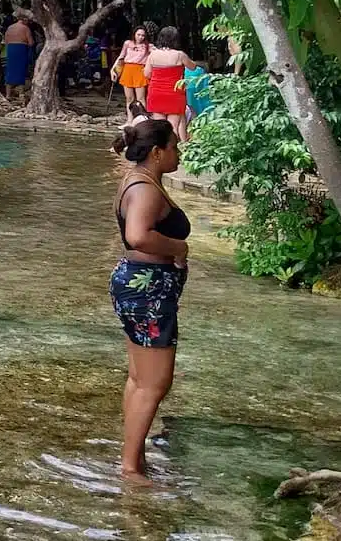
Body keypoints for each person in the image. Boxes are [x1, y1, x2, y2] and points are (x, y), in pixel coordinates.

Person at [112, 118, 190, 477]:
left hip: (142, 286)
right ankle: (131, 469)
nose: (178, 152)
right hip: (149, 289)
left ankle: (134, 457)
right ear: (157, 153)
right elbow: (139, 235)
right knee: (155, 382)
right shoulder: (144, 188)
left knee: (139, 378)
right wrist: (178, 247)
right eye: (174, 146)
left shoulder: (137, 180)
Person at [143, 27, 198, 139]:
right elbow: (193, 67)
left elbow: (147, 74)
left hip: (156, 93)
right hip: (174, 94)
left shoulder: (153, 54)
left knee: (159, 128)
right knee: (173, 129)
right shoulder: (180, 55)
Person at [114, 26, 152, 116]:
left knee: (141, 98)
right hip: (127, 69)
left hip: (140, 70)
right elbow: (121, 57)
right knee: (129, 98)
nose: (140, 37)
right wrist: (114, 69)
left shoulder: (148, 46)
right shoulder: (128, 43)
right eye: (138, 34)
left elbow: (156, 55)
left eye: (143, 35)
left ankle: (142, 119)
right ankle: (129, 120)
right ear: (134, 34)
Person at [2, 14, 35, 100]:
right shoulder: (25, 28)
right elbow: (31, 42)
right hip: (21, 49)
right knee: (21, 70)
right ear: (24, 19)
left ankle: (8, 94)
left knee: (10, 70)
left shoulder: (10, 28)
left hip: (10, 49)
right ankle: (21, 94)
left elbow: (6, 40)